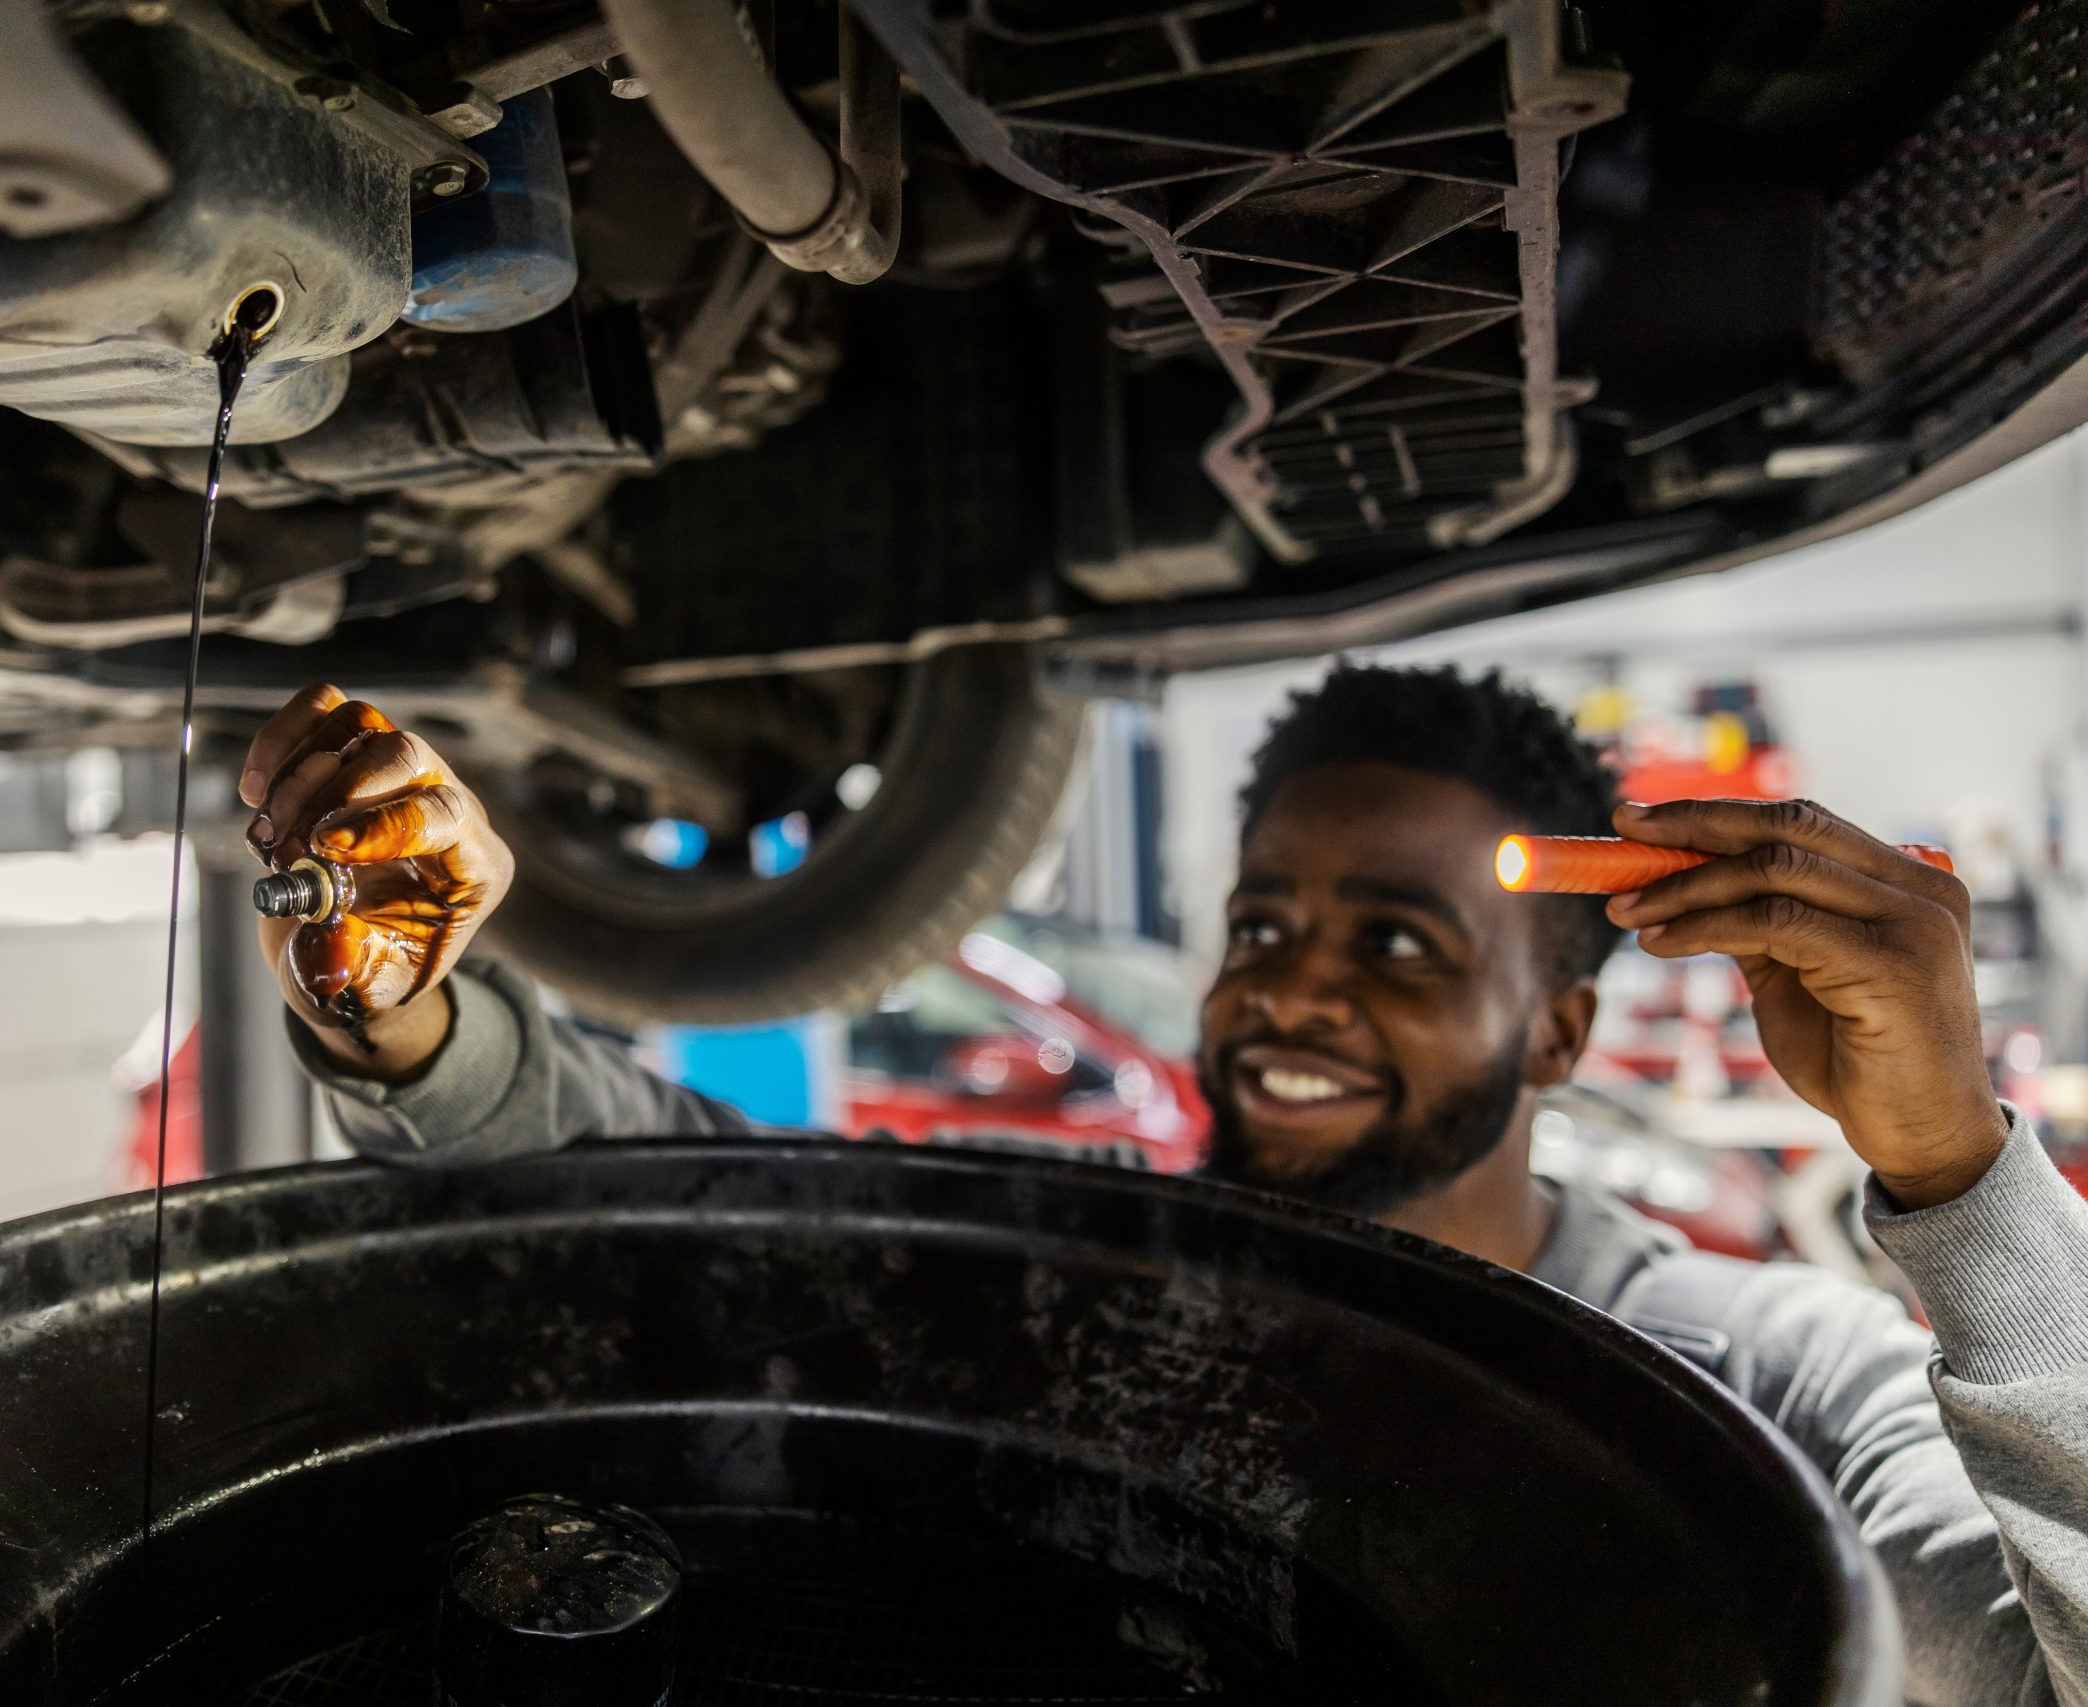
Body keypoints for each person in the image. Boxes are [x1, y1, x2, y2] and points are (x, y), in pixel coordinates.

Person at [241, 665, 2088, 1706]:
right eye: (1266, 923)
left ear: (1555, 1034)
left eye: (1400, 946)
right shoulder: (1100, 1281)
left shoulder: (1759, 1383)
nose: (1294, 988)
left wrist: (1959, 1171)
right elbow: (679, 1200)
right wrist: (412, 1025)